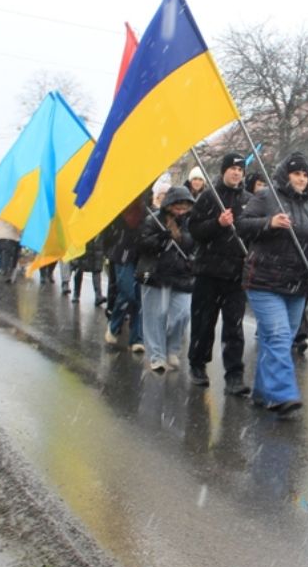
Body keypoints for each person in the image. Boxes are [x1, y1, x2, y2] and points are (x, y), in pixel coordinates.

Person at [237, 152, 308, 418]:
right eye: (296, 174)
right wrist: (269, 223)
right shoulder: (267, 197)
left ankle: (261, 391)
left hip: (298, 285)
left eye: (305, 175)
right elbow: (242, 225)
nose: (301, 179)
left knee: (278, 340)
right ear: (285, 175)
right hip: (264, 281)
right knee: (278, 336)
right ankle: (283, 394)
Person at [187, 153, 252, 396]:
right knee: (204, 323)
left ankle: (234, 375)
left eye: (240, 169)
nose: (236, 173)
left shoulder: (249, 200)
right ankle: (198, 364)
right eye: (232, 168)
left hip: (236, 274)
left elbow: (253, 231)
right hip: (209, 272)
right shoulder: (208, 196)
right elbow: (194, 230)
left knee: (234, 327)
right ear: (224, 170)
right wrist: (217, 224)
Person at [138, 186, 197, 372]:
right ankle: (156, 356)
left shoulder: (192, 223)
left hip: (182, 275)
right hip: (156, 275)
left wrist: (193, 258)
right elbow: (142, 244)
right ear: (169, 204)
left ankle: (172, 348)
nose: (181, 209)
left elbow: (197, 245)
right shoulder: (154, 220)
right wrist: (160, 239)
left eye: (185, 206)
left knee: (182, 314)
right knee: (155, 317)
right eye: (177, 205)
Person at [104, 197, 148, 354]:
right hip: (122, 255)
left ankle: (137, 339)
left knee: (139, 297)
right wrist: (109, 251)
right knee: (128, 293)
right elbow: (108, 234)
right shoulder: (118, 207)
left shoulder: (146, 208)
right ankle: (113, 326)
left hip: (141, 256)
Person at [66, 236, 106, 305]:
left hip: (96, 241)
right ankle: (76, 294)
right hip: (83, 240)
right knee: (80, 267)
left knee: (96, 269)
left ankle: (98, 295)